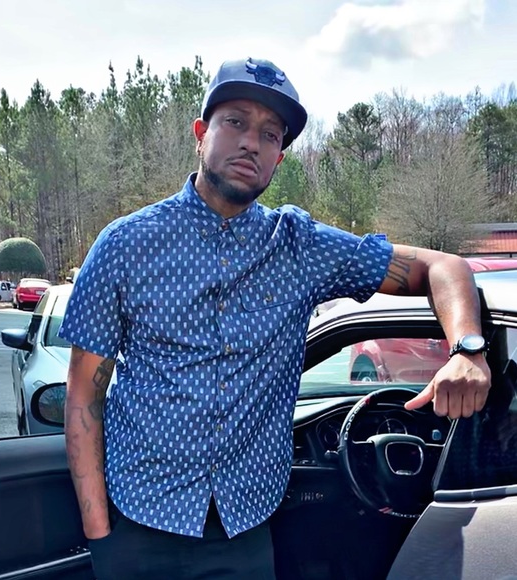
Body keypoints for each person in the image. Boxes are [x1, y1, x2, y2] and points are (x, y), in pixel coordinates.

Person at [58, 57, 491, 580]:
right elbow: (84, 394)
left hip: (243, 533)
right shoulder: (125, 244)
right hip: (137, 524)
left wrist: (467, 350)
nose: (251, 143)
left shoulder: (300, 247)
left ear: (279, 158)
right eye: (235, 122)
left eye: (269, 134)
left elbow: (444, 267)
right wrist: (99, 533)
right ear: (201, 133)